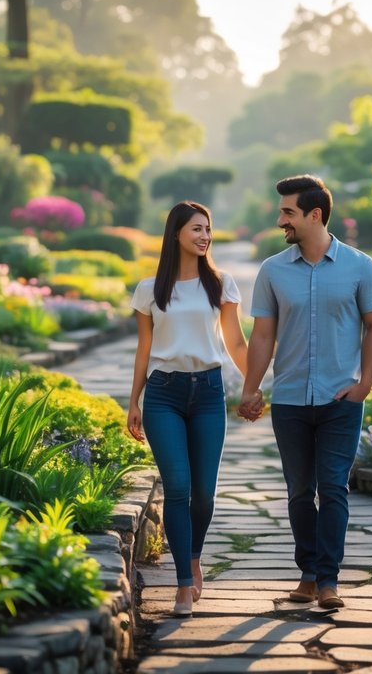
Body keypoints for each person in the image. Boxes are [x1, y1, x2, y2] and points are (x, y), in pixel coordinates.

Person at [237, 174, 372, 610]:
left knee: (333, 488)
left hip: (342, 399)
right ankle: (307, 571)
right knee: (300, 490)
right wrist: (252, 388)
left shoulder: (361, 266)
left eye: (288, 211)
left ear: (314, 215)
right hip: (289, 400)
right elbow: (263, 335)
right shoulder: (272, 270)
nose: (280, 218)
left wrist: (364, 385)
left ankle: (328, 580)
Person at [126, 201, 250, 617]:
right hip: (163, 394)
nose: (204, 236)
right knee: (177, 487)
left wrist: (253, 387)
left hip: (209, 394)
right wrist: (134, 401)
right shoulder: (150, 289)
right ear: (176, 232)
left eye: (208, 229)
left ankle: (193, 554)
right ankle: (182, 584)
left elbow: (235, 343)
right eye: (197, 229)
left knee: (204, 493)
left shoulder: (220, 283)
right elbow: (144, 348)